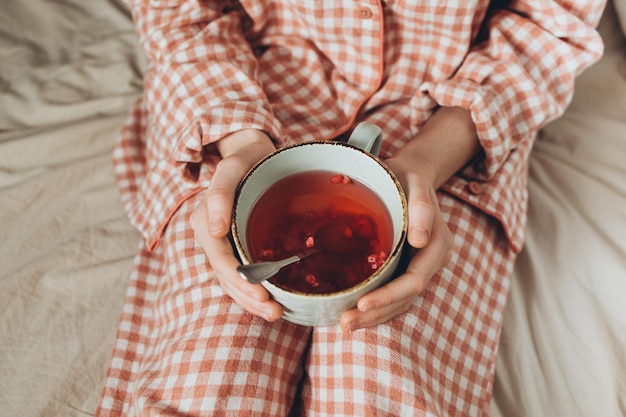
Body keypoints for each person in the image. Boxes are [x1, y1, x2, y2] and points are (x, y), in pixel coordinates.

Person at [97, 1, 606, 415]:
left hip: (450, 125)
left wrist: (425, 164)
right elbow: (181, 13)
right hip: (243, 103)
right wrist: (239, 143)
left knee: (386, 380)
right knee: (209, 376)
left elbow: (549, 26)